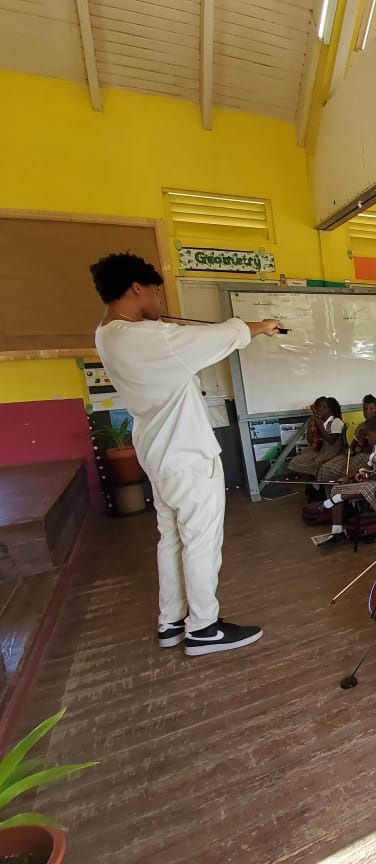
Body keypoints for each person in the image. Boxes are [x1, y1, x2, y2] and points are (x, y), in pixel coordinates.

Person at [91, 252, 278, 655]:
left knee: (172, 540)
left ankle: (171, 620)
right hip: (189, 456)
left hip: (159, 456)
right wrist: (261, 326)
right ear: (136, 288)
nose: (159, 302)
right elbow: (222, 336)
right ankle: (204, 628)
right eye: (155, 293)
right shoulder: (148, 337)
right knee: (200, 542)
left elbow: (173, 343)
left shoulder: (107, 334)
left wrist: (169, 332)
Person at [313, 414, 376, 548]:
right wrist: (350, 477)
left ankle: (335, 499)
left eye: (369, 435)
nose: (367, 438)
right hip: (373, 481)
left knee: (366, 487)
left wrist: (372, 478)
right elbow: (367, 468)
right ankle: (336, 532)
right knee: (338, 487)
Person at [317, 394, 376, 484]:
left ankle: (342, 487)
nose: (367, 411)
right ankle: (329, 490)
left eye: (371, 408)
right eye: (365, 408)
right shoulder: (361, 426)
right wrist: (350, 449)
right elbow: (354, 443)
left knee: (345, 472)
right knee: (326, 467)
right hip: (356, 455)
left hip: (368, 457)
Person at [288, 397, 345, 480]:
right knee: (294, 462)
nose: (320, 409)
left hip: (332, 453)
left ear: (330, 410)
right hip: (320, 452)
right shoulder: (320, 421)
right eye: (319, 406)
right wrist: (309, 425)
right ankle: (316, 475)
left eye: (324, 407)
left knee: (321, 467)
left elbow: (332, 441)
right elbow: (310, 441)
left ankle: (318, 476)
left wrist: (320, 426)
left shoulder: (336, 421)